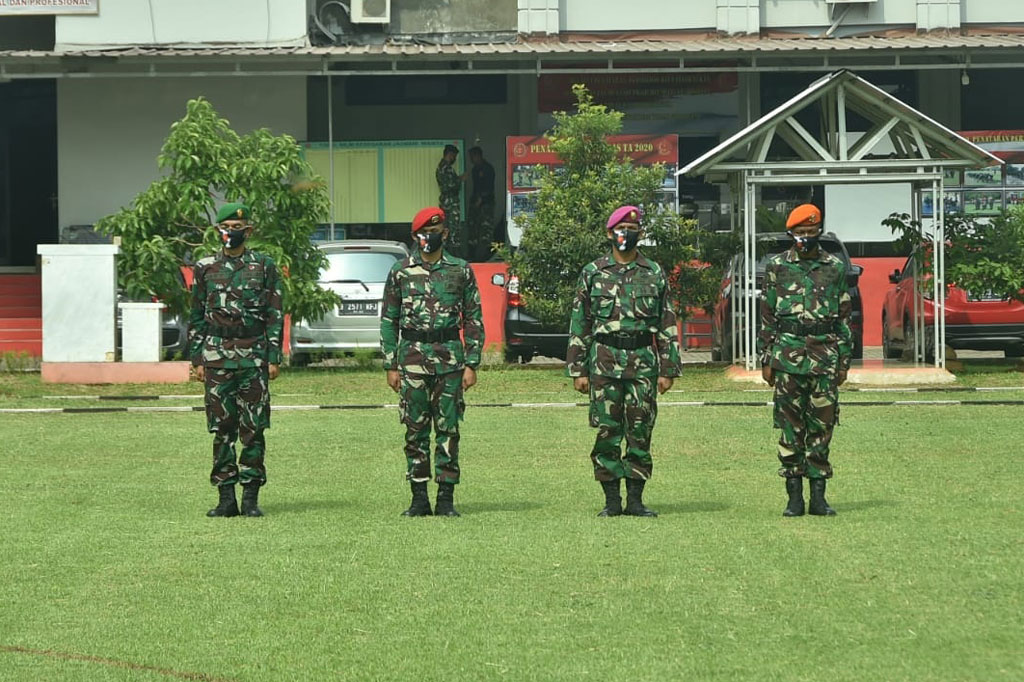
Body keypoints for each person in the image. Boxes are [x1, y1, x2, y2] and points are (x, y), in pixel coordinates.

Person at [566, 205, 682, 517]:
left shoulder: (653, 273)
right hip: (603, 362)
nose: (626, 235)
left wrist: (669, 368)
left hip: (643, 362)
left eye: (632, 230)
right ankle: (611, 501)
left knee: (640, 430)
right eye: (620, 230)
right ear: (609, 234)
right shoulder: (593, 273)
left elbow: (667, 322)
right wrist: (577, 369)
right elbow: (581, 323)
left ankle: (635, 500)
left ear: (640, 234)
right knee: (607, 429)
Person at [380, 206, 484, 517]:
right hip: (411, 360)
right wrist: (390, 363)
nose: (429, 238)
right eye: (424, 234)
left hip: (450, 361)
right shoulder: (401, 272)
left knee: (448, 430)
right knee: (415, 430)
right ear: (415, 237)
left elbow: (474, 319)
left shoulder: (460, 270)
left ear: (445, 234)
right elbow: (389, 320)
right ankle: (419, 498)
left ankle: (446, 499)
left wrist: (472, 363)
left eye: (435, 233)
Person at [188, 202, 283, 518]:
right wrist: (197, 358)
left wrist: (273, 356)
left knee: (253, 428)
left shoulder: (264, 266)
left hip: (253, 356)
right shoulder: (204, 267)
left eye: (239, 228)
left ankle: (251, 498)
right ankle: (226, 498)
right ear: (218, 231)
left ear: (249, 231)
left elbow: (274, 314)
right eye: (227, 227)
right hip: (216, 357)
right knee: (221, 428)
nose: (233, 232)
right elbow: (196, 314)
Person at [758, 203, 852, 518]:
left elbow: (843, 316)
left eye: (811, 232)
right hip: (787, 357)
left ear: (819, 233)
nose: (806, 238)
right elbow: (768, 314)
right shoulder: (776, 267)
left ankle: (819, 498)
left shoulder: (835, 267)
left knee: (822, 426)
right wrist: (766, 357)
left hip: (824, 356)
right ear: (791, 234)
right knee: (789, 427)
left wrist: (843, 361)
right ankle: (794, 498)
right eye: (800, 233)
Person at [435, 144, 466, 257]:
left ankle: (446, 254)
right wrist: (460, 179)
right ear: (450, 155)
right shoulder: (446, 168)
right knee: (453, 229)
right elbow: (450, 185)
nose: (455, 159)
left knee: (446, 228)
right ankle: (454, 255)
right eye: (454, 156)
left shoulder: (442, 166)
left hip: (445, 202)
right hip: (450, 202)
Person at [466, 146, 496, 261]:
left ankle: (487, 255)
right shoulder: (475, 169)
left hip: (486, 204)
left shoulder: (488, 168)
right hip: (475, 203)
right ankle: (472, 255)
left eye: (472, 157)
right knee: (473, 228)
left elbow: (489, 187)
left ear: (478, 156)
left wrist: (482, 199)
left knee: (486, 230)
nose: (471, 159)